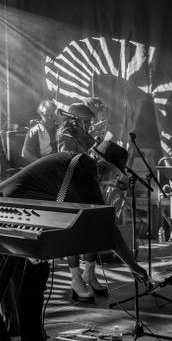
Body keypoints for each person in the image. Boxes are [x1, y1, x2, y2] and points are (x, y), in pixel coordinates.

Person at [0, 140, 149, 341]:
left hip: (0, 208)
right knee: (35, 275)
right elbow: (105, 226)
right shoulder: (85, 166)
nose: (109, 178)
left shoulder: (72, 162)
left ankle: (15, 334)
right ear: (101, 163)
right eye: (110, 172)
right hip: (14, 213)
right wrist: (132, 264)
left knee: (14, 277)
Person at [54, 102, 108, 301]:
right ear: (76, 121)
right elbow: (68, 161)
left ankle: (89, 274)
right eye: (87, 121)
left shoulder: (83, 136)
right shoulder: (67, 136)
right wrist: (90, 156)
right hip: (72, 191)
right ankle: (76, 279)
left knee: (93, 232)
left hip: (87, 188)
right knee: (74, 236)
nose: (90, 125)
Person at [21, 99, 58, 164]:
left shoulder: (60, 128)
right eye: (46, 115)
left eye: (52, 115)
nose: (49, 118)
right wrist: (40, 164)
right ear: (41, 114)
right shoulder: (34, 131)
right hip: (43, 166)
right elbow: (25, 154)